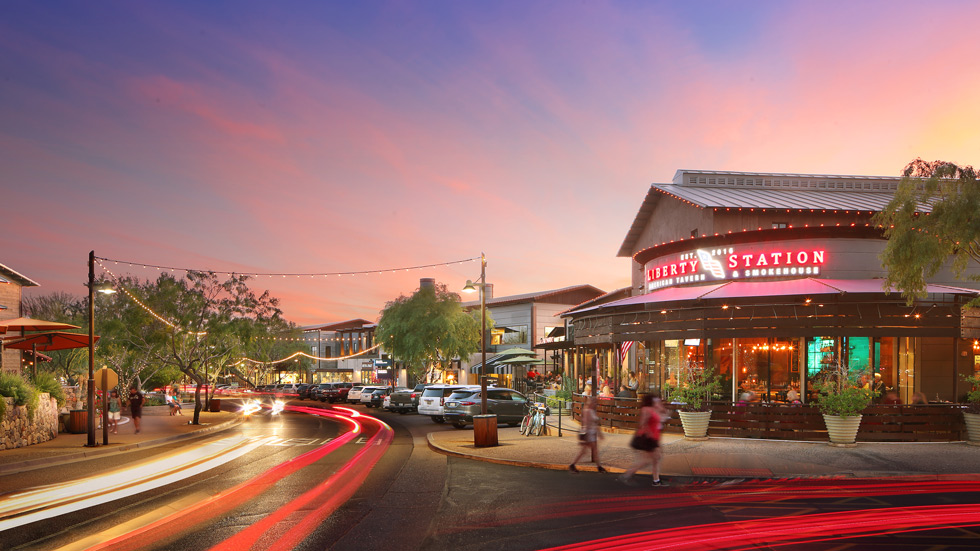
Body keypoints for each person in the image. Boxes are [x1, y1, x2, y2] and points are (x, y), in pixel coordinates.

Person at [619, 392, 667, 486]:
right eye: (655, 399)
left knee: (655, 459)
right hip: (647, 438)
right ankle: (628, 475)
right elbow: (643, 423)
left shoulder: (654, 409)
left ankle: (656, 480)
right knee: (648, 460)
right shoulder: (646, 409)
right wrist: (649, 432)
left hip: (654, 438)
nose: (656, 401)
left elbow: (662, 418)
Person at [569, 396, 606, 473]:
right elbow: (588, 423)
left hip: (591, 433)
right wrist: (597, 433)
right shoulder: (588, 411)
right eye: (594, 402)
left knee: (586, 451)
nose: (596, 404)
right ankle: (599, 467)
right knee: (590, 451)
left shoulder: (590, 410)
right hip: (589, 433)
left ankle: (573, 465)